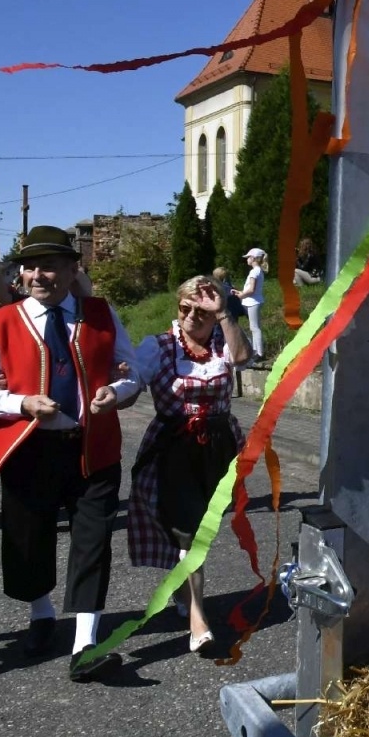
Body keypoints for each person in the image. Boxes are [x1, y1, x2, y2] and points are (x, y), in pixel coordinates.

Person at [0, 225, 143, 683]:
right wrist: (21, 403)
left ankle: (85, 643)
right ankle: (41, 615)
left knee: (93, 540)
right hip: (29, 449)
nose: (37, 275)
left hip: (91, 446)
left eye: (48, 265)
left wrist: (115, 391)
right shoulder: (1, 321)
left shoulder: (100, 313)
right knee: (29, 536)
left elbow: (132, 370)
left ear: (70, 269)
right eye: (28, 266)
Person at [127, 276, 250, 653]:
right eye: (185, 308)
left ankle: (184, 592)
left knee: (202, 530)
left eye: (202, 310)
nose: (192, 317)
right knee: (190, 532)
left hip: (218, 446)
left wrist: (224, 314)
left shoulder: (222, 342)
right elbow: (131, 384)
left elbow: (244, 359)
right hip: (174, 446)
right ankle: (199, 618)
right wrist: (116, 388)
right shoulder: (158, 345)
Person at [238, 248, 267, 363]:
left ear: (254, 258)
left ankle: (259, 353)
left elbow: (251, 290)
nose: (247, 260)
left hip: (252, 301)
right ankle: (256, 351)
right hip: (254, 301)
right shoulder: (259, 271)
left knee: (254, 328)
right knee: (255, 327)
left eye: (248, 257)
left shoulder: (254, 272)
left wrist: (241, 295)